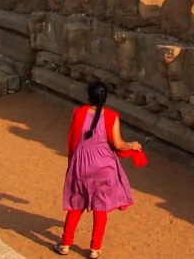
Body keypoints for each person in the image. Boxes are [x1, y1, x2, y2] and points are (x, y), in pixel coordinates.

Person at [58, 80, 143, 257]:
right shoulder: (112, 117)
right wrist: (132, 145)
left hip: (81, 166)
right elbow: (119, 144)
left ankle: (65, 244)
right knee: (101, 209)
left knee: (76, 204)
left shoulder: (78, 113)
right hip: (104, 167)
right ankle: (95, 249)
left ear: (88, 96)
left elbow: (74, 138)